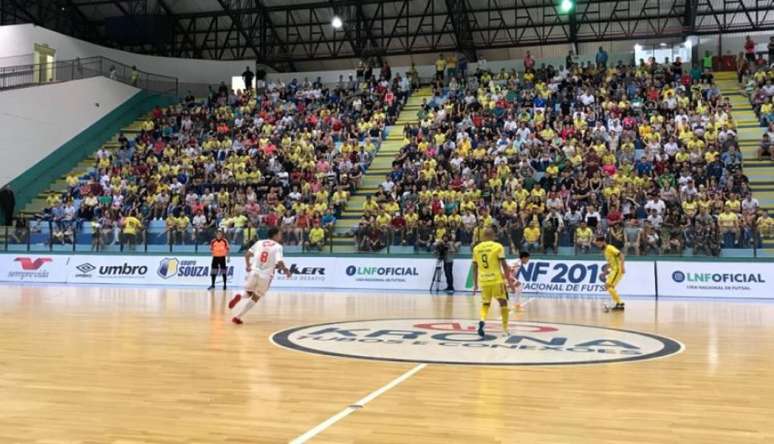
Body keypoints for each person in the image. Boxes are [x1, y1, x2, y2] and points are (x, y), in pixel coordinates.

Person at [228, 227, 292, 325]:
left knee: (248, 292)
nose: (281, 236)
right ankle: (237, 317)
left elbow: (247, 255)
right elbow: (279, 261)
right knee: (256, 296)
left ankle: (239, 296)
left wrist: (248, 265)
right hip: (265, 276)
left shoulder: (259, 242)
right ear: (275, 235)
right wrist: (286, 270)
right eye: (280, 234)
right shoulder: (278, 246)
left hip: (254, 271)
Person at [471, 227, 512, 337]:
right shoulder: (497, 246)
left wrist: (475, 284)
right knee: (503, 303)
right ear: (493, 235)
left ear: (483, 236)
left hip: (483, 281)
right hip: (496, 280)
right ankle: (505, 329)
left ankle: (482, 320)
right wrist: (510, 282)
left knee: (486, 303)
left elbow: (474, 267)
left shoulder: (476, 248)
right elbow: (504, 265)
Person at [594, 235, 625, 311]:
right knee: (610, 287)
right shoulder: (605, 251)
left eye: (599, 244)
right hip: (613, 270)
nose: (598, 246)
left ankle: (620, 303)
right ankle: (618, 303)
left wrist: (622, 266)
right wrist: (604, 272)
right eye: (597, 245)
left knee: (608, 286)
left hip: (617, 270)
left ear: (603, 242)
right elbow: (609, 263)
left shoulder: (610, 248)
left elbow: (621, 255)